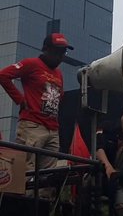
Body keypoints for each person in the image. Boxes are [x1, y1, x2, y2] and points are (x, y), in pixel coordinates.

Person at [0, 33, 73, 191]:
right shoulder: (31, 64)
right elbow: (4, 75)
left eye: (63, 52)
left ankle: (39, 206)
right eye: (58, 51)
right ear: (46, 49)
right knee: (24, 172)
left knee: (47, 176)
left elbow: (60, 96)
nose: (61, 56)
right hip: (32, 125)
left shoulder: (59, 73)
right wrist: (20, 99)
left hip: (52, 128)